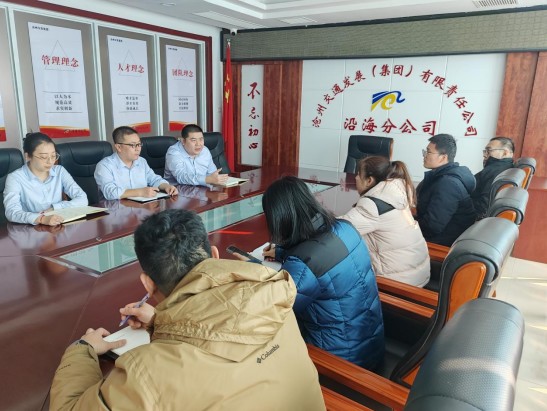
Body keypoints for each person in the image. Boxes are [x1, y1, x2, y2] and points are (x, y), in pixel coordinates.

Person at [50, 209, 325, 410]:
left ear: (147, 284)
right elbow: (226, 329)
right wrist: (160, 321)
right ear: (214, 255)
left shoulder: (147, 374)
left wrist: (82, 349)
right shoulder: (273, 295)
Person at [260, 176, 384, 370]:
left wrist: (250, 270)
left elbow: (272, 310)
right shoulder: (345, 228)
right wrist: (281, 252)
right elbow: (319, 252)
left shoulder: (304, 264)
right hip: (371, 345)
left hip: (340, 363)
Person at [339, 156, 430, 287]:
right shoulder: (396, 196)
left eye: (358, 174)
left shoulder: (374, 206)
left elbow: (338, 231)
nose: (356, 178)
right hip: (416, 275)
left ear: (369, 180)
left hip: (398, 285)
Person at [3, 132, 88, 225]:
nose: (50, 161)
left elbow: (82, 198)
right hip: (30, 229)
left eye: (53, 156)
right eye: (44, 157)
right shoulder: (15, 178)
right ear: (27, 156)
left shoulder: (59, 171)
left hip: (57, 225)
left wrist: (54, 208)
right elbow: (11, 212)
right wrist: (41, 219)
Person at [416, 133, 476, 246]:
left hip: (442, 244)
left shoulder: (448, 184)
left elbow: (432, 227)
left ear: (443, 157)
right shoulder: (441, 176)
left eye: (428, 152)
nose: (424, 155)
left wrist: (407, 225)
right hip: (438, 236)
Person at [94, 126, 178, 200]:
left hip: (142, 207)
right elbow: (110, 192)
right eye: (133, 145)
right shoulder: (105, 166)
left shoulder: (141, 161)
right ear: (119, 147)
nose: (138, 149)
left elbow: (154, 179)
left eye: (139, 144)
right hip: (116, 210)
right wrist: (140, 192)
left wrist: (167, 186)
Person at [164, 124, 229, 186]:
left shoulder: (204, 150)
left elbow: (212, 173)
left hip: (202, 189)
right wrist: (206, 179)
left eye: (201, 139)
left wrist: (215, 178)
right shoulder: (173, 153)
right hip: (178, 190)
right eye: (193, 140)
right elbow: (181, 177)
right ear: (183, 141)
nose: (198, 144)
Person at [471, 136, 515, 219]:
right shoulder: (502, 167)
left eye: (489, 151)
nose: (484, 155)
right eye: (485, 151)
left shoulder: (496, 172)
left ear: (505, 153)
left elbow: (483, 207)